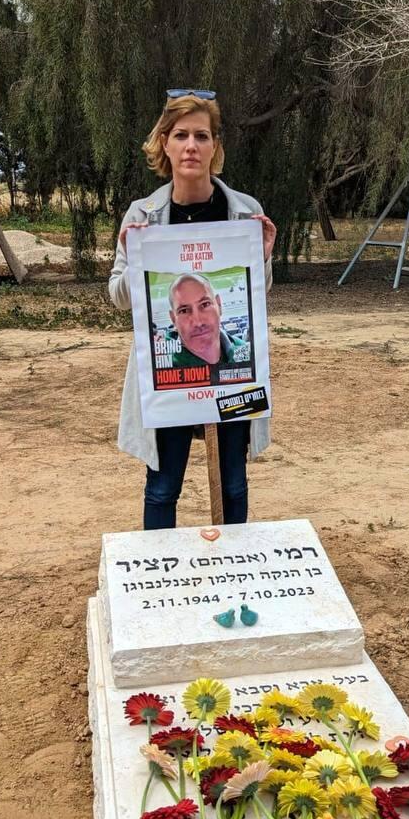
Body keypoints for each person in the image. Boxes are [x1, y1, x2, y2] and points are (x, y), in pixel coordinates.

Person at [108, 90, 276, 530]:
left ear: (215, 146)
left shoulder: (245, 213)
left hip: (233, 375)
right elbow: (121, 297)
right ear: (163, 142)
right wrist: (135, 259)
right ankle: (161, 580)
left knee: (234, 484)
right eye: (180, 135)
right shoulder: (142, 214)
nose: (191, 146)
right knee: (163, 488)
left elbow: (258, 294)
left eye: (202, 136)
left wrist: (263, 258)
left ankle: (233, 569)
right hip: (168, 381)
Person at [167, 273, 247, 374]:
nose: (198, 322)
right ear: (173, 319)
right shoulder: (157, 366)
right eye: (184, 311)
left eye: (205, 304)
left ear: (219, 305)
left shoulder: (247, 353)